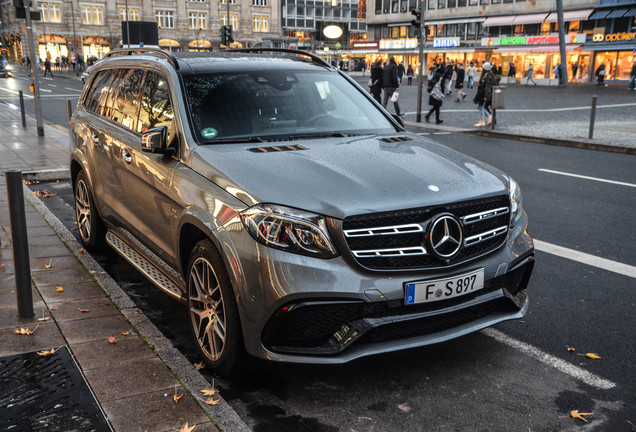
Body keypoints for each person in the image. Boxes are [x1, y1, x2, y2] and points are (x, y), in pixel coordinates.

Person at [474, 62, 495, 127]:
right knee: (481, 107)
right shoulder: (486, 75)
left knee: (481, 107)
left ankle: (483, 120)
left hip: (483, 94)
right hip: (482, 93)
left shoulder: (487, 76)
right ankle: (488, 117)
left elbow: (487, 87)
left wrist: (486, 96)